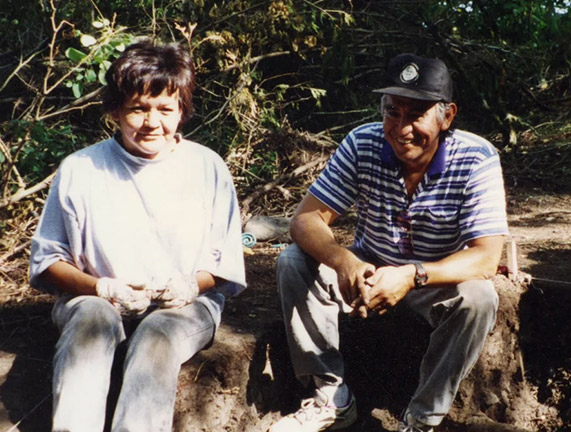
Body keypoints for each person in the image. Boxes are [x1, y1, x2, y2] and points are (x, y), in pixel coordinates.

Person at [271, 53, 509, 432]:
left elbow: (485, 257)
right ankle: (330, 396)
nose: (402, 128)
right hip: (370, 266)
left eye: (416, 114)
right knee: (292, 262)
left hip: (436, 277)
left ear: (447, 116)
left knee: (479, 299)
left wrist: (412, 275)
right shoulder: (362, 143)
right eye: (392, 112)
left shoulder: (476, 158)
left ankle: (422, 419)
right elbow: (305, 219)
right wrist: (345, 262)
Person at [28, 41, 246, 432]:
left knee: (156, 335)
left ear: (182, 111)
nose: (152, 123)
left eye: (165, 109)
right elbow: (46, 264)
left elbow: (226, 264)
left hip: (182, 307)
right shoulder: (80, 169)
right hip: (93, 299)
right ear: (115, 111)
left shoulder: (207, 167)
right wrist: (103, 288)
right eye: (138, 109)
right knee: (90, 322)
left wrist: (189, 286)